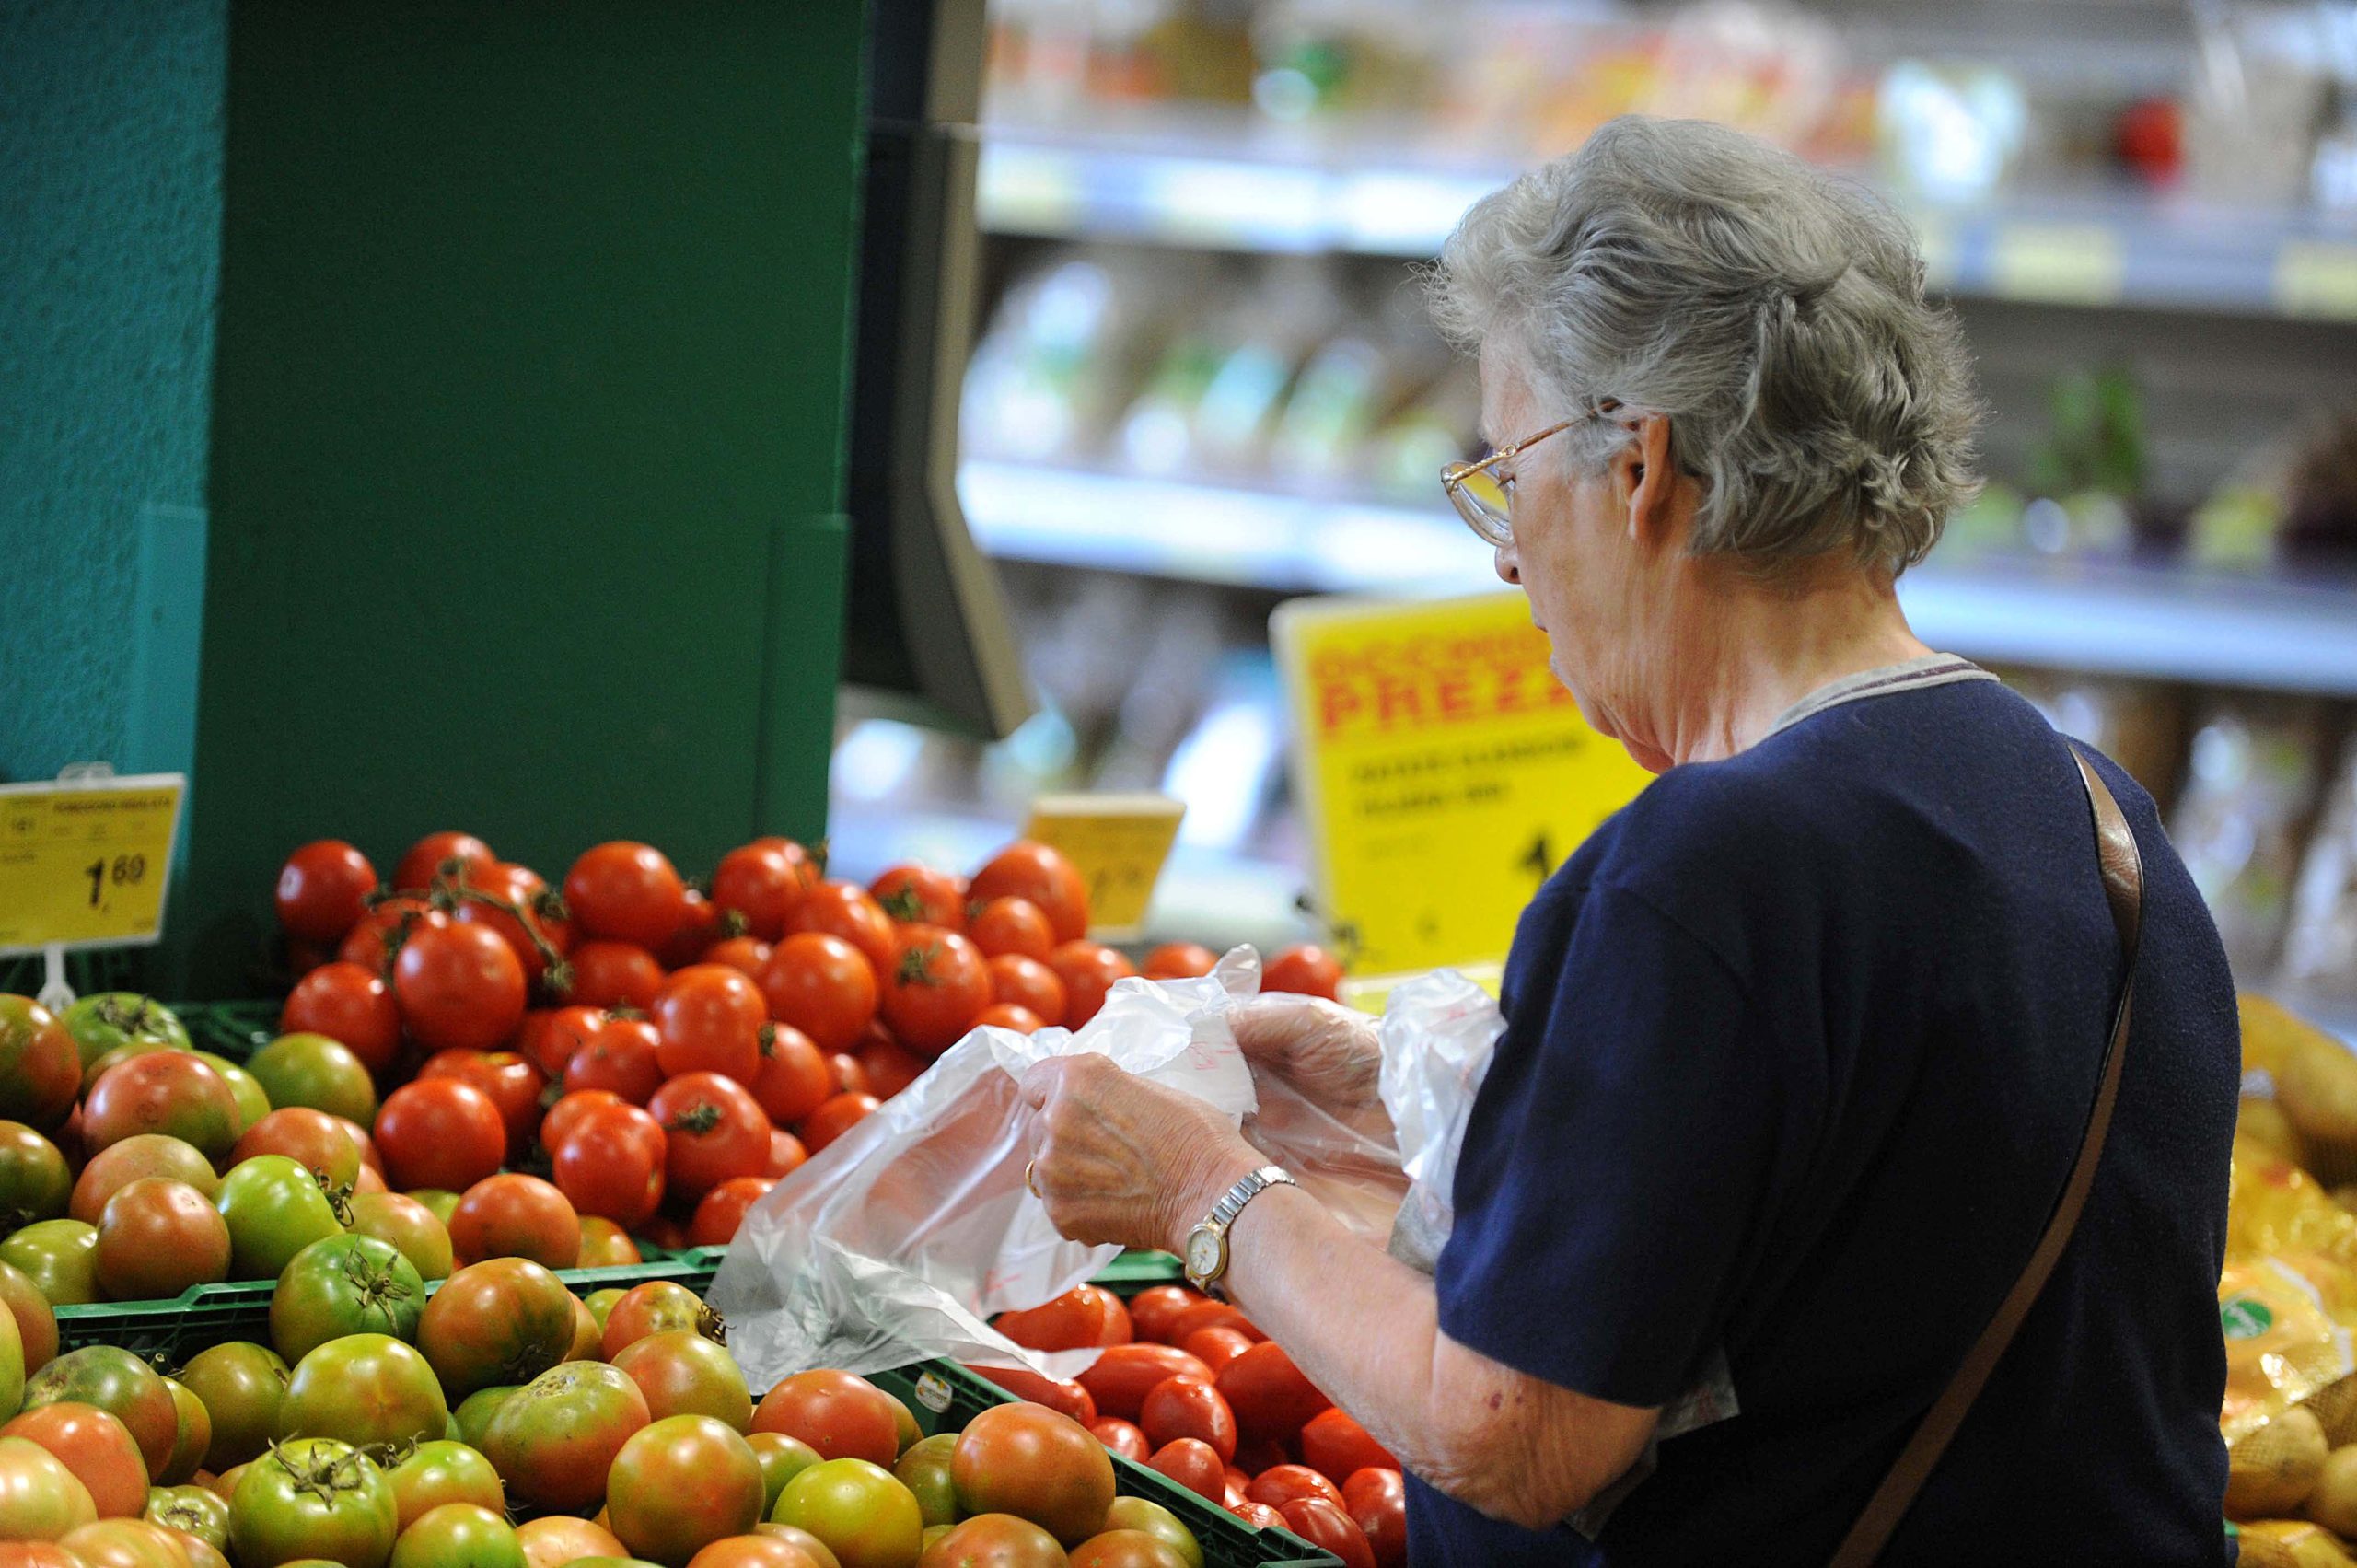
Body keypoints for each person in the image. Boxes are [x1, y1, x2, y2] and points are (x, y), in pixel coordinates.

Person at [1016, 115, 2239, 1566]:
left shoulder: (1706, 867)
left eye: (1505, 467)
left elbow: (1514, 1437)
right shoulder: (2100, 820)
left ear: (1642, 466)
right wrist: (1445, 1117)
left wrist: (1203, 1193)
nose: (1507, 550)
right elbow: (1842, 1260)